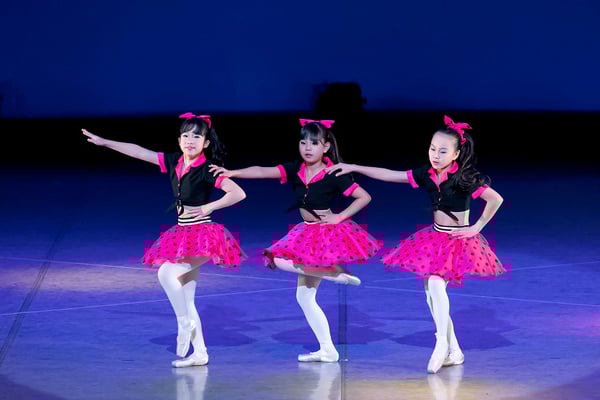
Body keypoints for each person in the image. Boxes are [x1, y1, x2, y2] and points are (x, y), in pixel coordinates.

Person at [325, 115, 506, 373]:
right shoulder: (426, 174)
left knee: (435, 285)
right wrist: (355, 166)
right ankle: (455, 351)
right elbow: (390, 175)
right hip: (435, 238)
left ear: (456, 154)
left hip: (457, 241)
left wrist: (477, 227)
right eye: (432, 149)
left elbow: (495, 199)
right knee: (431, 296)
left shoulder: (464, 177)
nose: (436, 155)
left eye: (443, 151)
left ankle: (441, 343)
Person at [209, 118, 382, 362]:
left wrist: (339, 217)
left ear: (326, 147)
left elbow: (364, 196)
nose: (308, 147)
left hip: (324, 234)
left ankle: (333, 274)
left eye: (314, 143)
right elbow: (262, 171)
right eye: (303, 142)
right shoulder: (296, 169)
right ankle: (328, 350)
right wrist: (233, 172)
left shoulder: (333, 173)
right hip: (306, 232)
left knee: (277, 259)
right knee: (304, 297)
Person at [82, 112, 246, 368]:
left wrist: (208, 207)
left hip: (203, 235)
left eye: (196, 136)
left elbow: (238, 193)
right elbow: (139, 151)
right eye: (185, 135)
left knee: (166, 274)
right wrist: (106, 143)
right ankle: (200, 352)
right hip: (183, 233)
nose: (190, 140)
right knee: (187, 299)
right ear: (179, 140)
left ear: (206, 143)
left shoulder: (207, 169)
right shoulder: (174, 162)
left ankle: (183, 322)